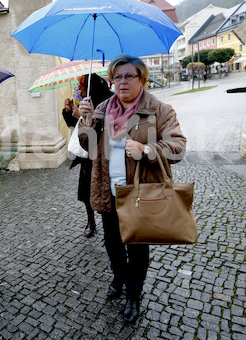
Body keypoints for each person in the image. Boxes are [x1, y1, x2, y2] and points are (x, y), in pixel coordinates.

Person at [78, 54, 186, 323]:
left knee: (137, 248)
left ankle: (133, 295)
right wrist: (86, 123)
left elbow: (178, 147)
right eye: (117, 76)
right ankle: (118, 277)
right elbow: (87, 146)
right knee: (113, 243)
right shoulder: (101, 109)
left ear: (142, 79)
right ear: (111, 80)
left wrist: (147, 149)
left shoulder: (159, 110)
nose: (122, 82)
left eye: (129, 76)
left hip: (140, 193)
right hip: (107, 190)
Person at [62, 74, 112, 237]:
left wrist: (83, 117)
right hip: (86, 158)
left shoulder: (108, 100)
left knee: (106, 191)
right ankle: (90, 221)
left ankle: (109, 221)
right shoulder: (86, 99)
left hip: (103, 156)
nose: (80, 88)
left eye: (82, 85)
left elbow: (100, 130)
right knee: (86, 192)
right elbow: (74, 127)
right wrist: (69, 111)